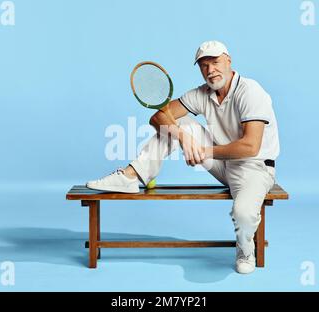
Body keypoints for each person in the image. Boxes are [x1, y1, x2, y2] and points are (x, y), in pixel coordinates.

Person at [86, 40, 280, 274]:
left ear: (229, 61)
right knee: (174, 123)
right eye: (204, 65)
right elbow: (157, 118)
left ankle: (245, 249)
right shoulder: (202, 93)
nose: (211, 70)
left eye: (216, 62)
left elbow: (250, 146)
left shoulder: (250, 91)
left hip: (254, 169)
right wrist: (183, 137)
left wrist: (203, 151)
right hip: (224, 165)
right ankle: (132, 175)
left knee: (243, 214)